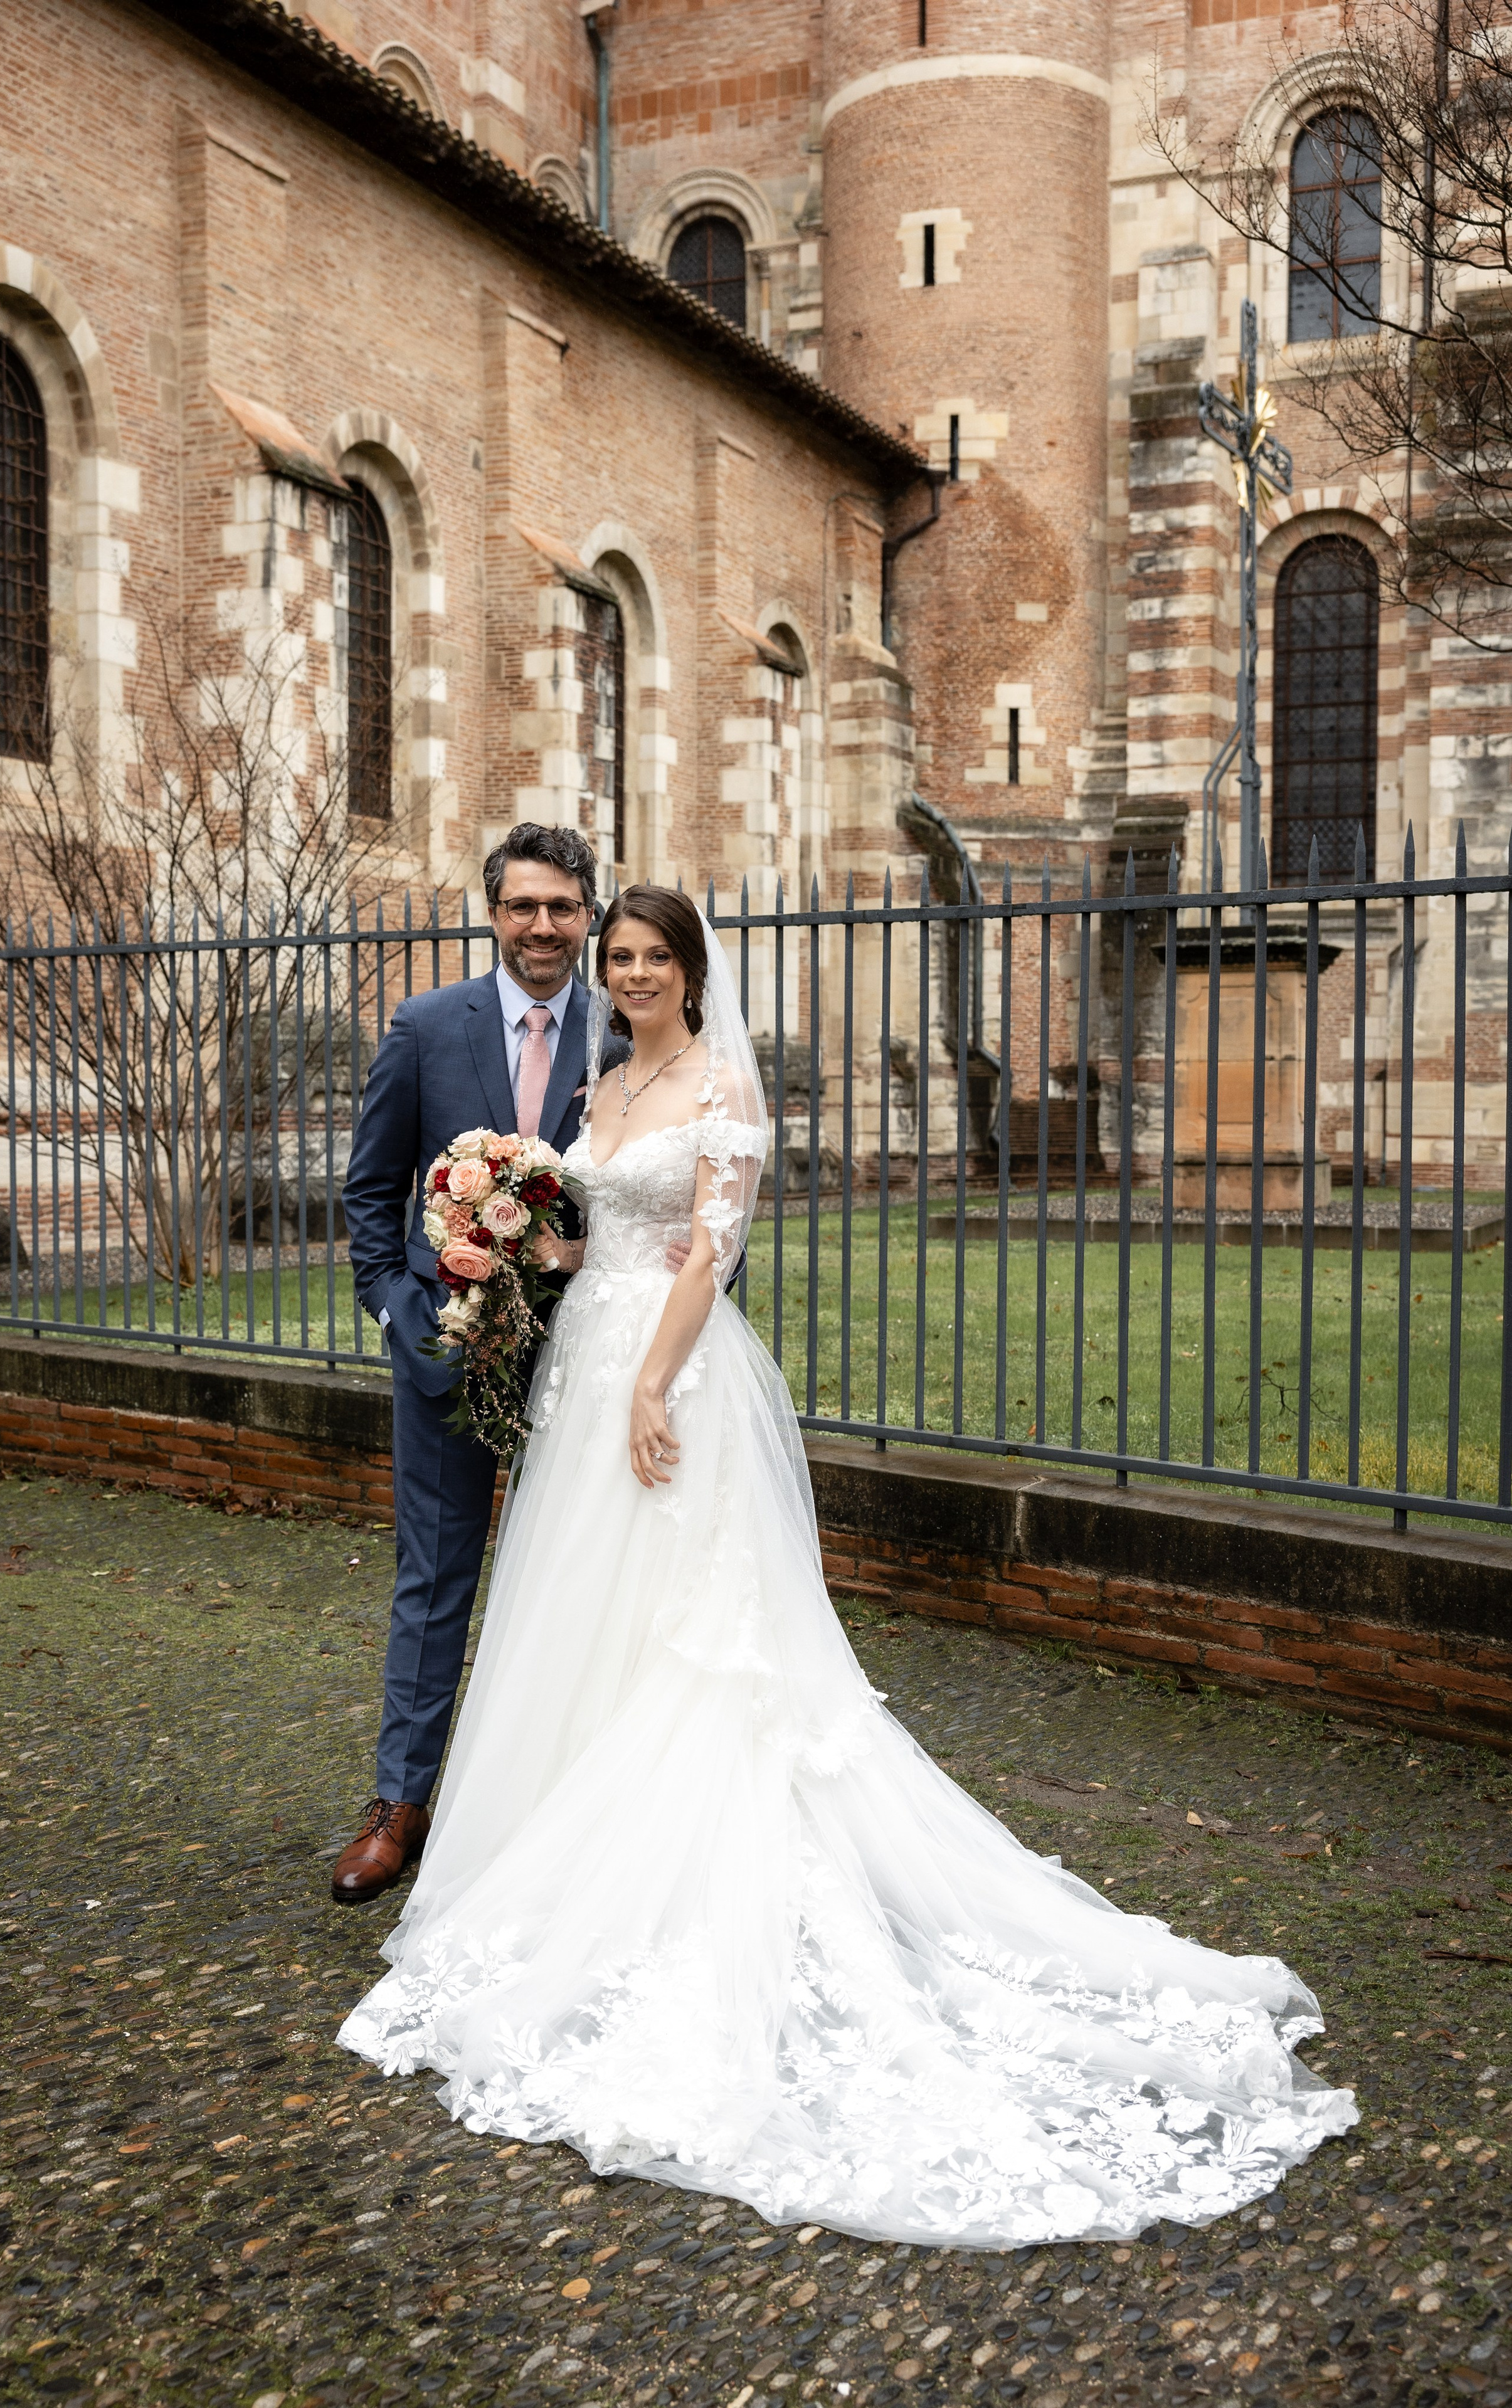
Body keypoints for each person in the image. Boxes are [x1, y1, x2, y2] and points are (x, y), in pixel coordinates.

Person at [338, 885, 1358, 2247]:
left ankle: (688, 1885)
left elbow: (711, 1248)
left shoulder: (719, 1080)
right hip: (582, 1371)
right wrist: (512, 1237)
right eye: (619, 957)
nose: (632, 973)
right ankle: (579, 1861)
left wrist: (651, 1383)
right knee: (593, 1622)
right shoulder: (604, 1078)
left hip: (664, 1381)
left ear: (692, 972)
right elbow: (597, 1235)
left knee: (692, 1635)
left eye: (653, 957)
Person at [333, 822, 623, 1907]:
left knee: (582, 1582)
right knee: (434, 1578)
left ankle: (554, 1808)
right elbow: (371, 1190)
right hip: (446, 1354)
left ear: (589, 912)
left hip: (587, 1357)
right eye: (522, 906)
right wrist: (396, 1309)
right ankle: (399, 1806)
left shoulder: (630, 1032)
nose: (542, 927)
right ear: (493, 912)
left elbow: (691, 1215)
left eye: (561, 907)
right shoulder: (422, 1028)